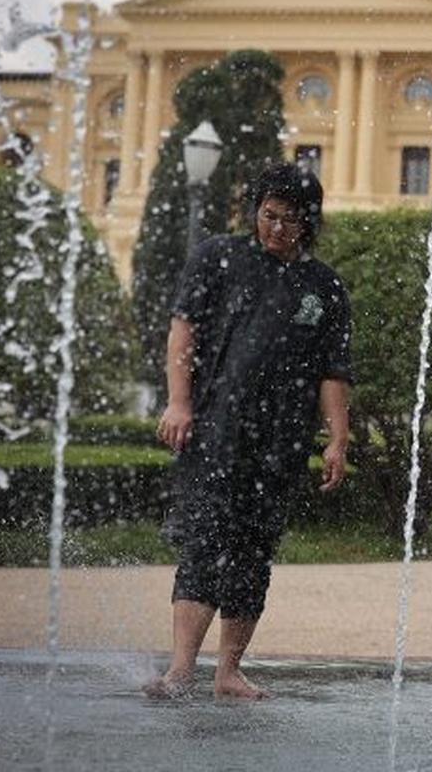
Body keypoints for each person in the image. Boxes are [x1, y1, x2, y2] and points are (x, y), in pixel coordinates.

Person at [146, 163, 351, 699]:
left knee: (252, 554)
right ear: (256, 210)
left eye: (290, 220)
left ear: (309, 223)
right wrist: (178, 403)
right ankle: (181, 668)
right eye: (269, 215)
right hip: (216, 430)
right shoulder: (219, 256)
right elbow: (182, 331)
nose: (277, 229)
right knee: (204, 543)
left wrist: (337, 437)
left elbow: (334, 370)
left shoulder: (323, 285)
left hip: (280, 444)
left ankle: (228, 670)